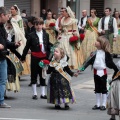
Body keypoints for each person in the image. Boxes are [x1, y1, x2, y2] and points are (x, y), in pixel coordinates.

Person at [80, 36, 118, 110]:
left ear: (102, 44)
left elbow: (111, 63)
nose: (95, 42)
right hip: (95, 72)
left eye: (98, 41)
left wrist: (116, 69)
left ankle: (103, 104)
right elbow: (88, 61)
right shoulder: (94, 53)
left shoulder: (106, 54)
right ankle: (97, 104)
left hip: (103, 73)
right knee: (97, 88)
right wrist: (82, 68)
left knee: (103, 88)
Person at [21, 18, 52, 100]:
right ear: (34, 26)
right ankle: (34, 93)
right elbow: (27, 47)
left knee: (43, 74)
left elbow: (48, 45)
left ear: (42, 25)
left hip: (43, 57)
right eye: (37, 25)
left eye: (40, 24)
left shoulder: (46, 35)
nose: (39, 26)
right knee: (34, 74)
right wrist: (23, 57)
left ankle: (43, 93)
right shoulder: (31, 35)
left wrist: (51, 50)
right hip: (35, 57)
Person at [0, 7, 21, 108]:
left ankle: (1, 101)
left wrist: (14, 44)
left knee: (3, 80)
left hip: (3, 56)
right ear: (2, 15)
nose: (8, 18)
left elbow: (5, 42)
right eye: (7, 16)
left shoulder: (2, 27)